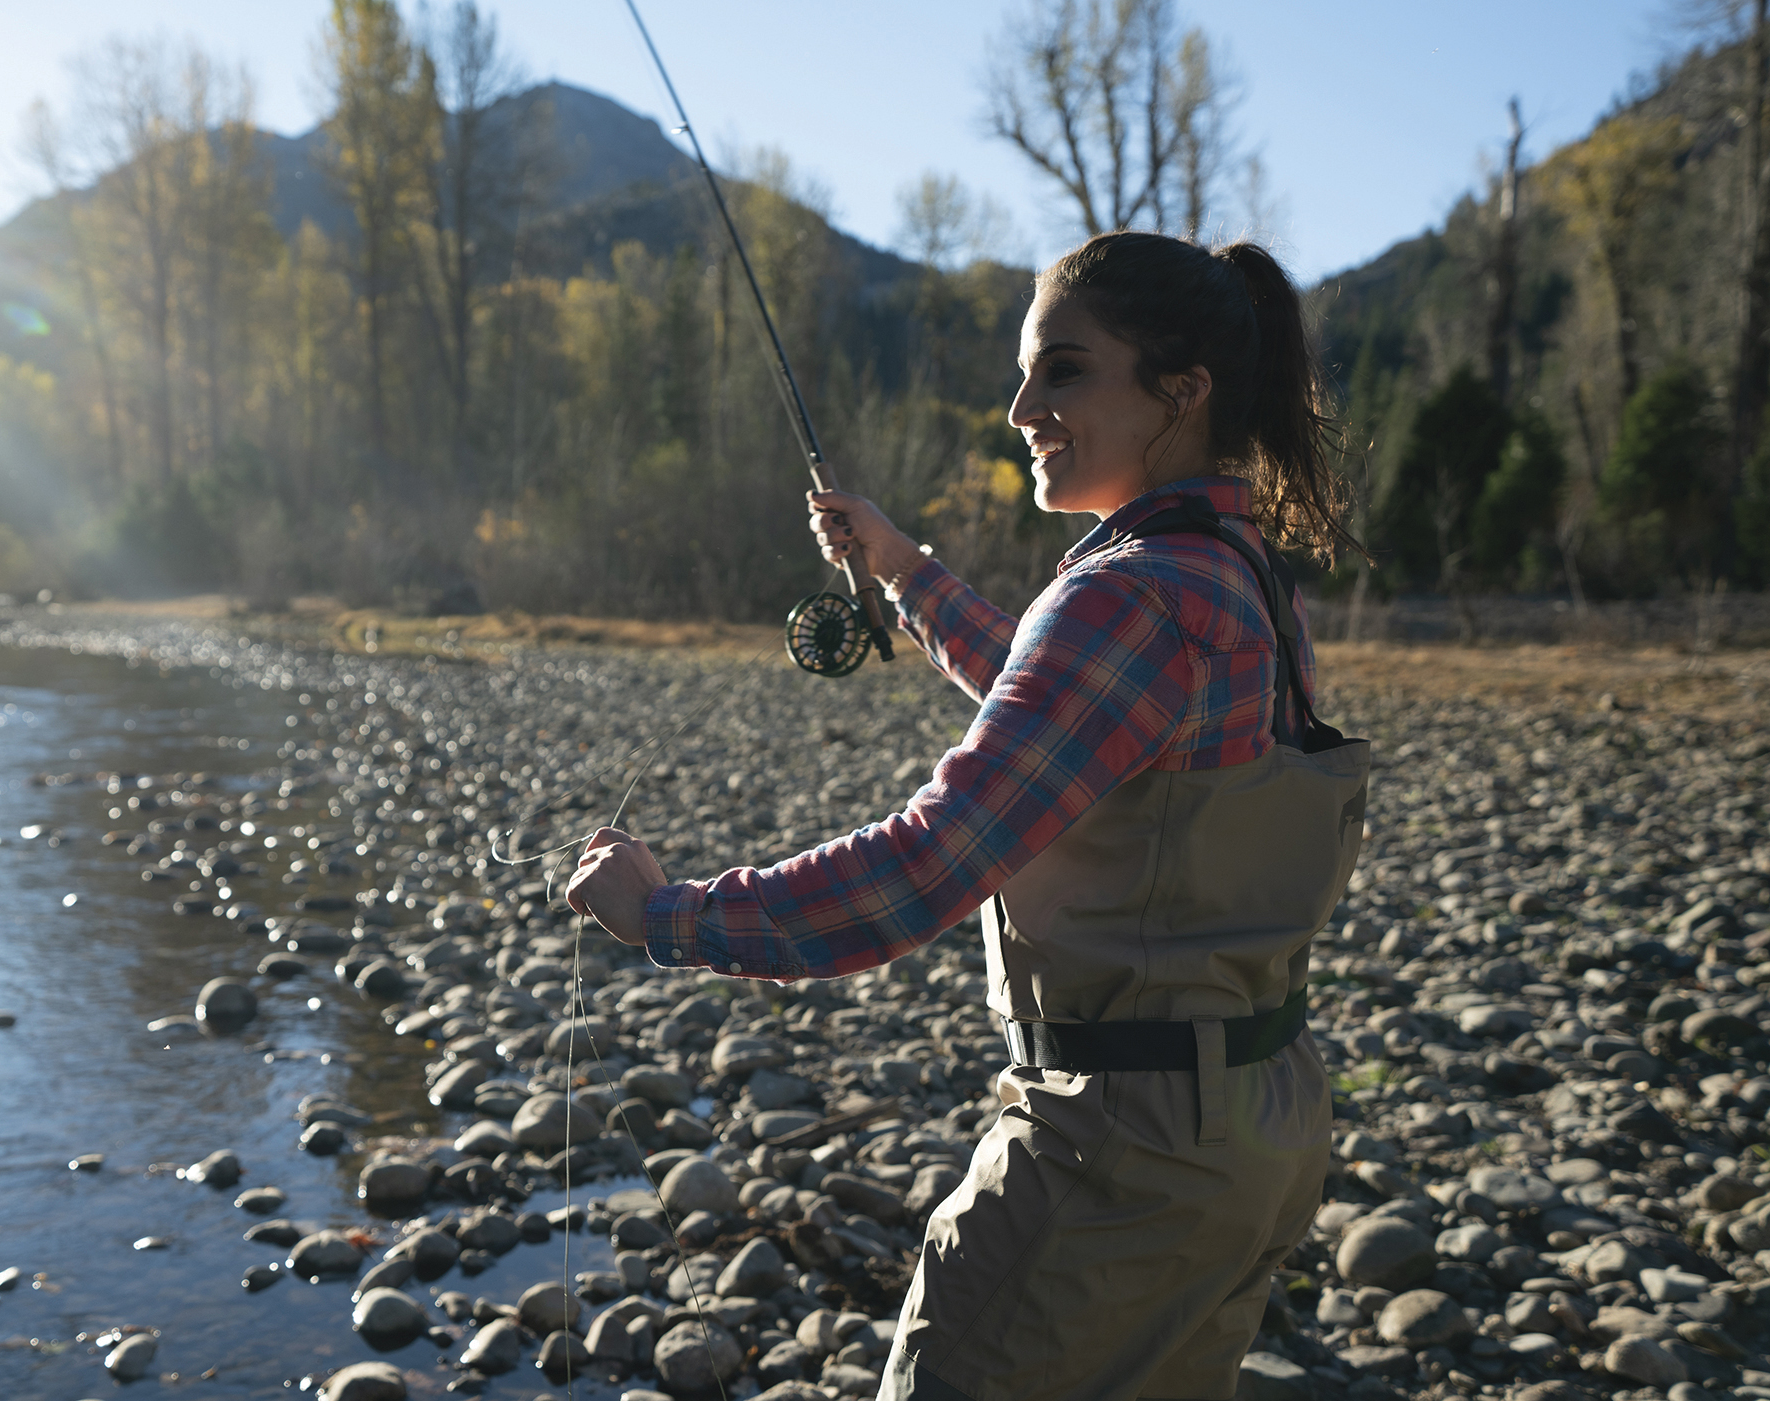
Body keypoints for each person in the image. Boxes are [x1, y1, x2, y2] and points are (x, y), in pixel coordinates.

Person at [566, 230, 1370, 1401]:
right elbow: (1072, 722)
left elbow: (927, 866)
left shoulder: (1128, 593)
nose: (1022, 408)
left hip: (1121, 1151)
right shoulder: (1241, 577)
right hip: (1257, 1126)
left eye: (1066, 370)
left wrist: (669, 917)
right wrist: (902, 569)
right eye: (1028, 372)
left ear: (1181, 391)